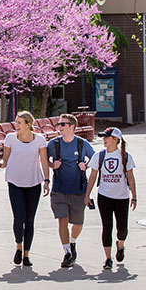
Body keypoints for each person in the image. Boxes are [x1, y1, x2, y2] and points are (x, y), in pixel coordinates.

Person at [0, 111, 50, 267]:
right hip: (14, 182)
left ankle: (26, 255)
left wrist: (46, 180)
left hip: (33, 182)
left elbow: (44, 161)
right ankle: (18, 246)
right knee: (19, 217)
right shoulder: (10, 138)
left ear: (28, 124)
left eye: (19, 123)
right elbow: (5, 159)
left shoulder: (40, 140)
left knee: (29, 219)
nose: (15, 125)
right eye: (15, 122)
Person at [85, 127, 137, 270]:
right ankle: (108, 258)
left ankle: (120, 245)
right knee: (107, 227)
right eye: (103, 137)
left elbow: (131, 177)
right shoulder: (99, 156)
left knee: (122, 229)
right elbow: (93, 176)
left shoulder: (125, 157)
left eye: (107, 137)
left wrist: (134, 196)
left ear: (116, 140)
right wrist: (87, 195)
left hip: (122, 197)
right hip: (104, 196)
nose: (104, 140)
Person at [47, 113, 95, 268]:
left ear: (72, 127)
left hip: (78, 190)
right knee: (62, 220)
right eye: (58, 124)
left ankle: (72, 242)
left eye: (63, 124)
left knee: (78, 224)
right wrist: (51, 165)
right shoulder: (53, 144)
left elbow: (96, 161)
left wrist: (86, 166)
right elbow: (43, 160)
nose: (59, 127)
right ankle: (67, 252)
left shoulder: (82, 144)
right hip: (59, 190)